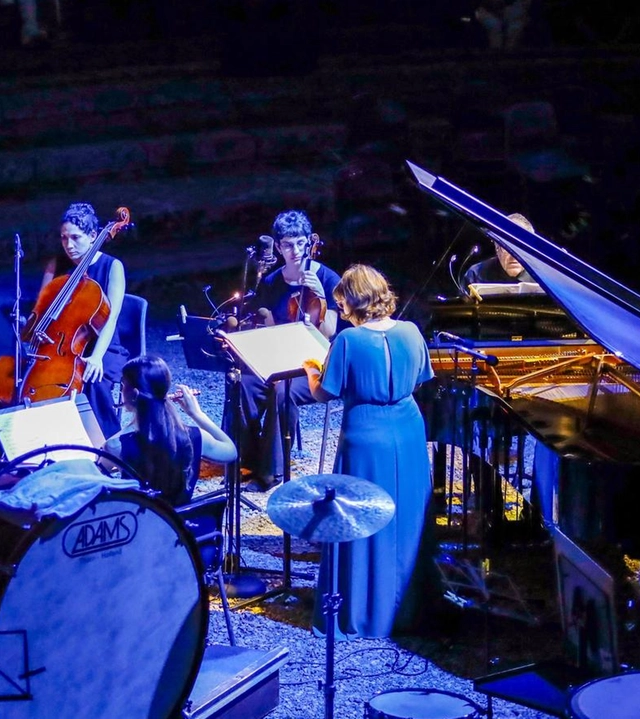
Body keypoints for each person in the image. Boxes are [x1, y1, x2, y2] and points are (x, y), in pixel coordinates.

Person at [303, 264, 434, 638]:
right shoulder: (411, 332)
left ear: (355, 302)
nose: (341, 312)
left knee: (361, 517)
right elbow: (421, 377)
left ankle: (362, 610)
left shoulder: (349, 340)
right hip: (407, 428)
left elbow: (324, 392)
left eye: (342, 304)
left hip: (365, 433)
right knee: (406, 517)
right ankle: (408, 609)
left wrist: (312, 371)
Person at [229, 209, 342, 490]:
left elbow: (329, 334)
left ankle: (271, 472)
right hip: (280, 358)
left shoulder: (327, 280)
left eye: (301, 243)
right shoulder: (271, 282)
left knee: (283, 390)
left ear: (309, 242)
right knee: (244, 384)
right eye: (288, 245)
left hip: (315, 365)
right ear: (278, 247)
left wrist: (320, 296)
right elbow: (266, 326)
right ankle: (247, 461)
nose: (296, 251)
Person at [37, 202, 127, 440]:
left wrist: (96, 356)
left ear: (93, 235)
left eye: (76, 237)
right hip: (61, 343)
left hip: (102, 344)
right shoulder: (56, 265)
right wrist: (38, 328)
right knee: (21, 373)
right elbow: (42, 309)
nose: (69, 245)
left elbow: (111, 317)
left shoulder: (112, 267)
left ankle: (107, 447)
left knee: (92, 379)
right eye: (64, 238)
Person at [103, 355, 236, 506]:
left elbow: (95, 476)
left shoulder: (116, 445)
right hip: (180, 525)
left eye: (123, 385)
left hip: (141, 526)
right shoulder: (196, 436)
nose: (121, 391)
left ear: (133, 393)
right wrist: (197, 414)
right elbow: (231, 451)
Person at [462, 212, 536, 286]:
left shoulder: (544, 277)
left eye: (520, 247)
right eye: (507, 248)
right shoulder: (476, 275)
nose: (514, 256)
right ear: (496, 248)